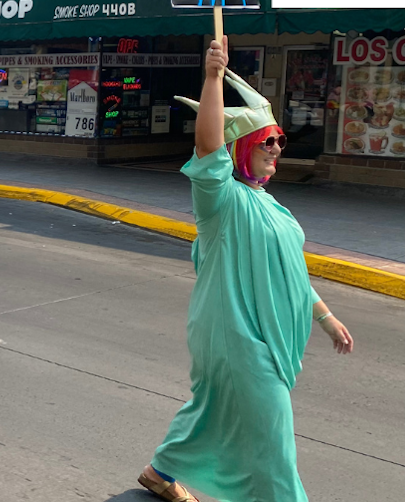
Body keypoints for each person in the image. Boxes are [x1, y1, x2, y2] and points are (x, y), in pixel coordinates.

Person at [137, 38, 354, 502]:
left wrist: (326, 317)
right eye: (267, 141)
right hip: (235, 334)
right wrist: (214, 77)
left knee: (212, 408)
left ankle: (161, 471)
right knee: (273, 433)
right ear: (241, 149)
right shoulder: (221, 200)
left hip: (254, 333)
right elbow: (209, 146)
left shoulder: (272, 206)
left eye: (280, 140)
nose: (277, 148)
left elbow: (291, 273)